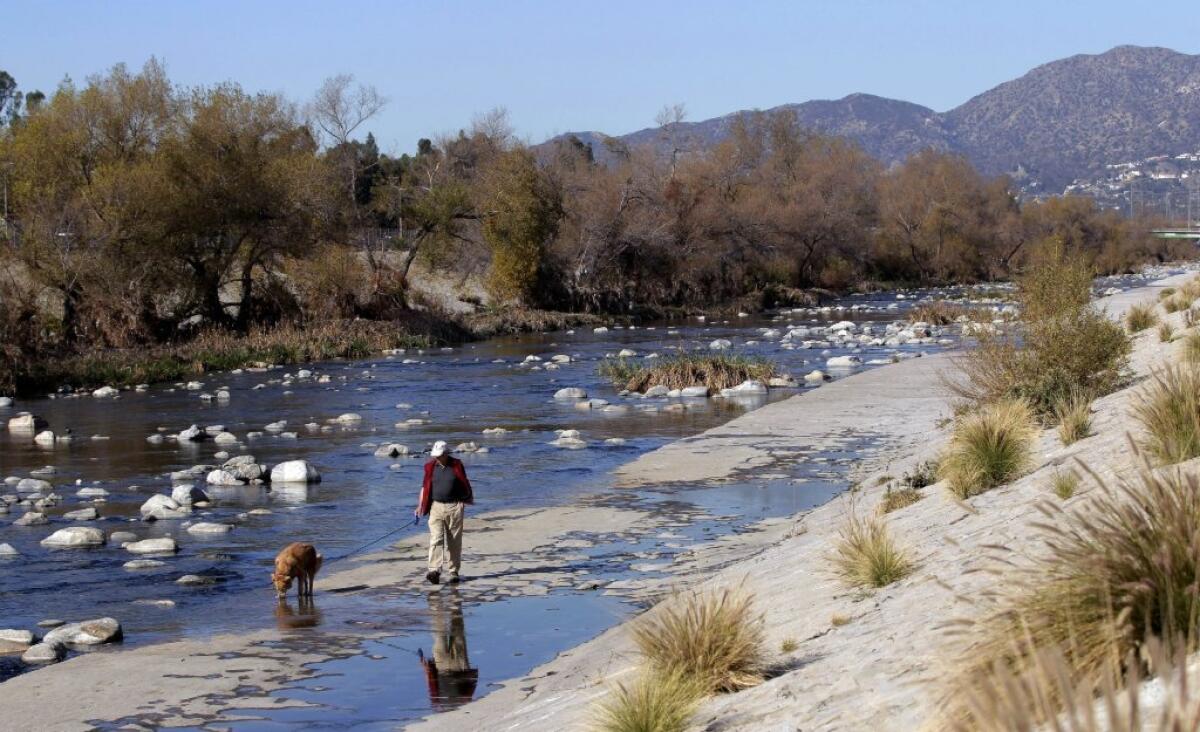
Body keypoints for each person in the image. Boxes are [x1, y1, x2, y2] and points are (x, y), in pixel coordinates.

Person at [415, 440, 474, 584]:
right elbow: (424, 487)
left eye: (440, 455)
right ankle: (434, 570)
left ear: (446, 453)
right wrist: (419, 506)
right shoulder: (430, 467)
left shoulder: (456, 465)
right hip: (435, 507)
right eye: (435, 455)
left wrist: (463, 501)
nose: (437, 457)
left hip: (454, 507)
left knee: (454, 541)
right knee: (436, 538)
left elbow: (464, 483)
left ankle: (453, 572)